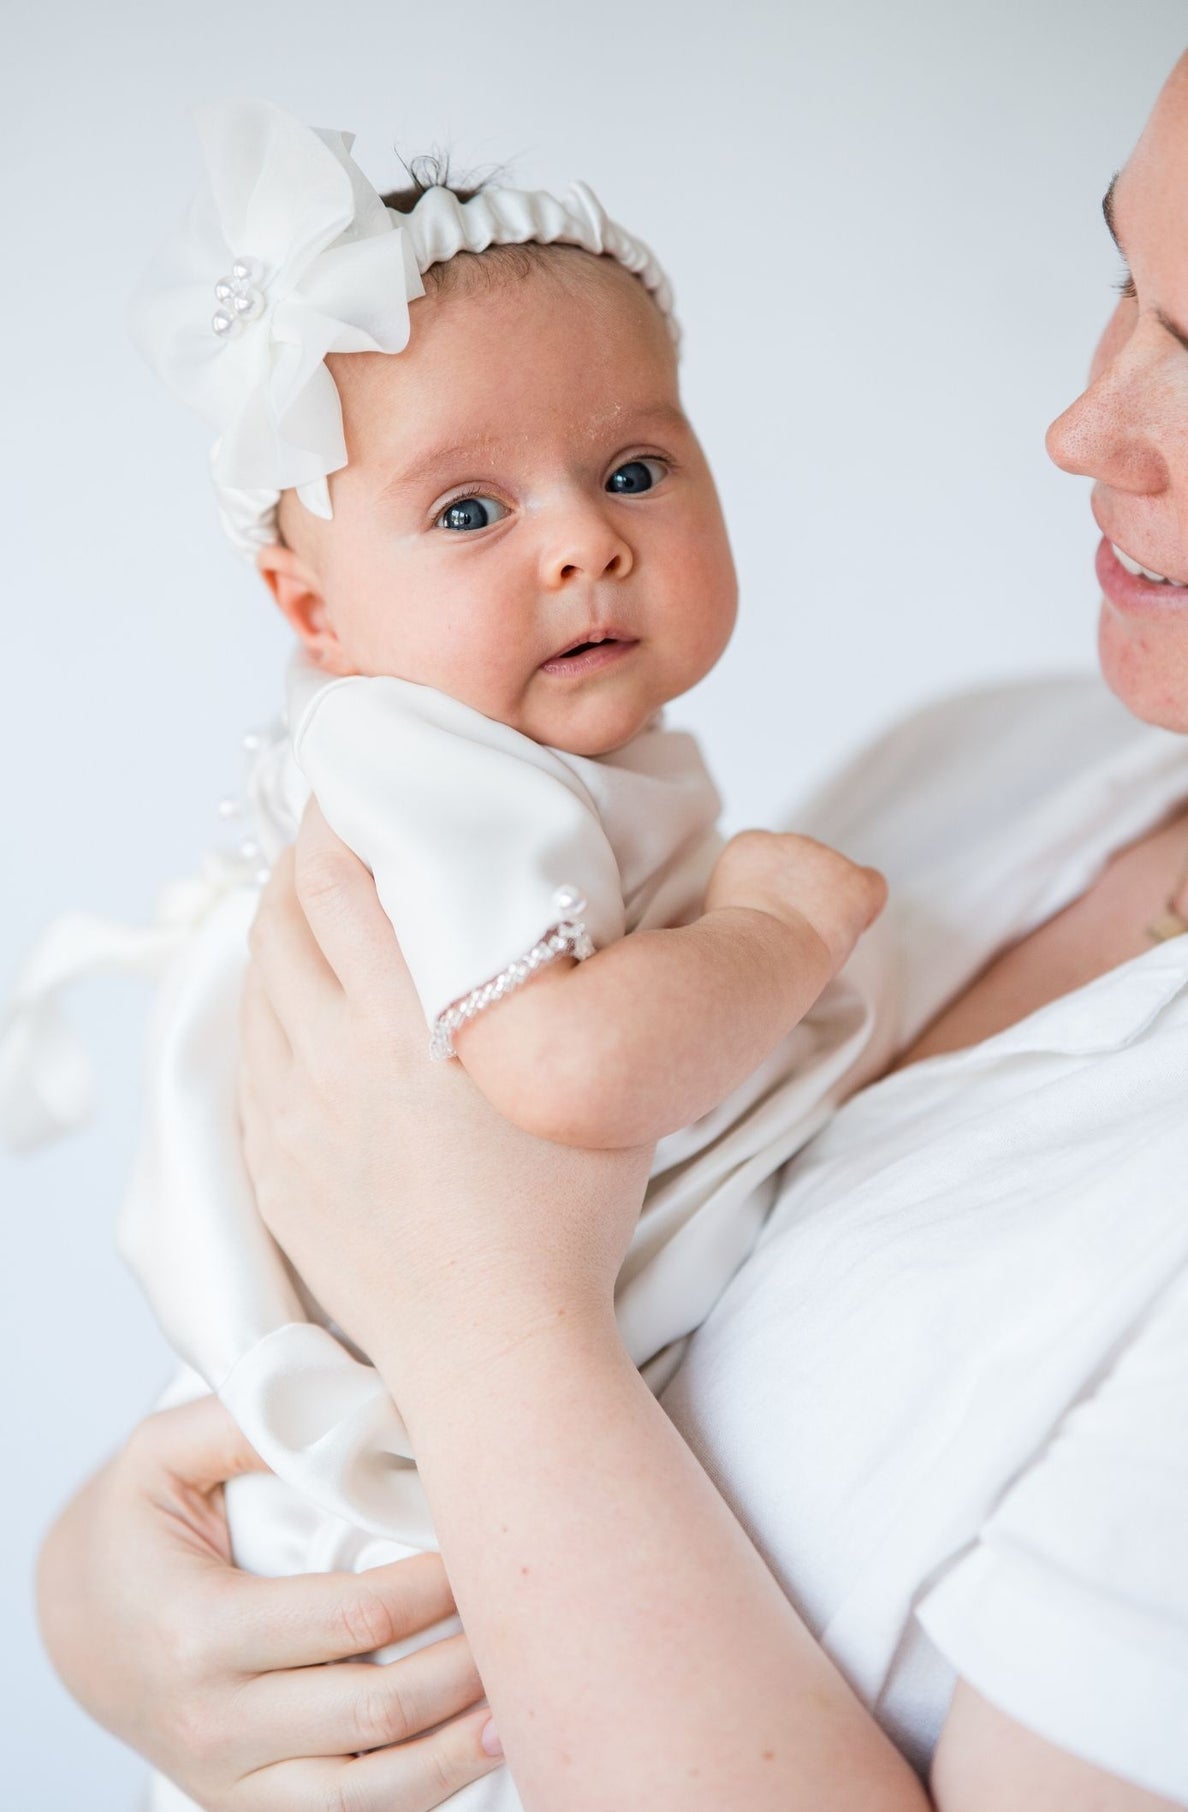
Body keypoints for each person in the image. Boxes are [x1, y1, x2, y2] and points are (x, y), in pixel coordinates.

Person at [34, 47, 1188, 1812]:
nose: (1084, 428)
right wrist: (98, 1601)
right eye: (1126, 280)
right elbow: (568, 1065)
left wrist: (494, 1340)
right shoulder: (980, 765)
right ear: (307, 608)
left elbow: (496, 1219)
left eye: (635, 468)